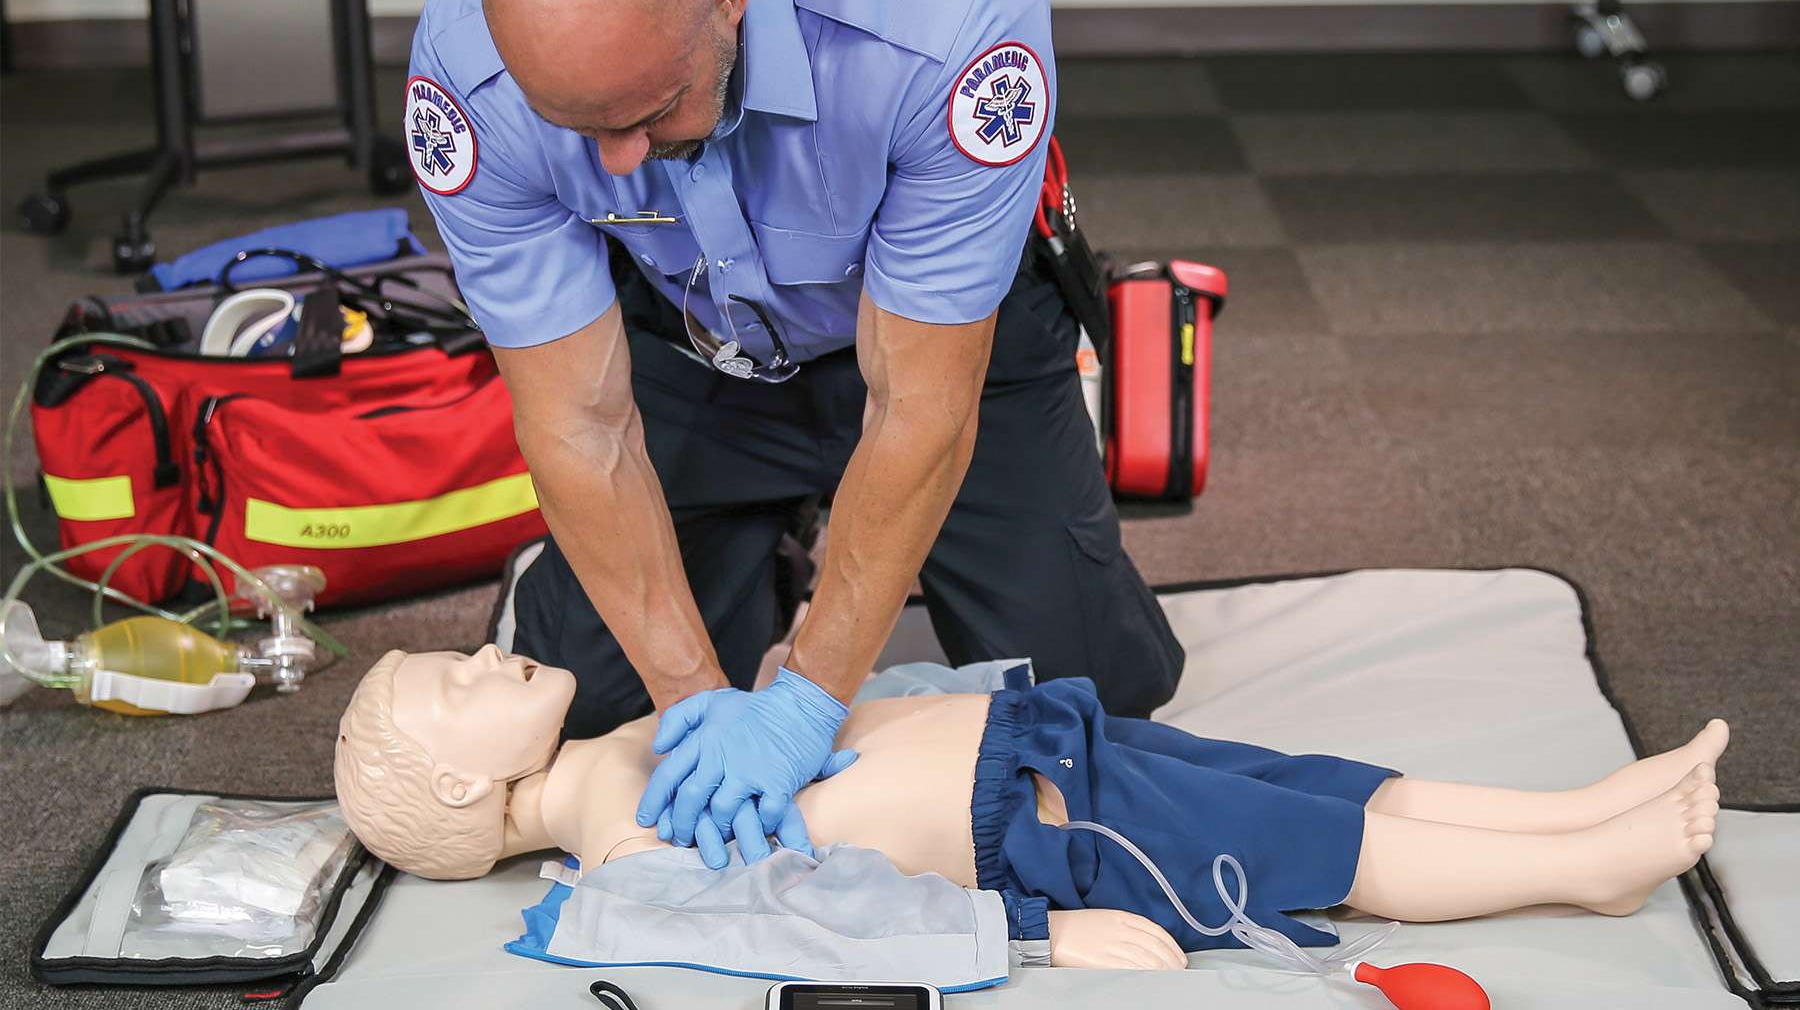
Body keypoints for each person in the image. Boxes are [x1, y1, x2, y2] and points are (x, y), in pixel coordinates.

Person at [405, 0, 1182, 867]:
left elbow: (918, 406)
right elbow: (580, 421)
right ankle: (755, 555)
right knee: (594, 713)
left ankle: (842, 556)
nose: (618, 158)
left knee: (1098, 708)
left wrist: (805, 703)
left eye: (648, 110)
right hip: (691, 336)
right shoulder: (465, 77)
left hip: (936, 349)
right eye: (577, 126)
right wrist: (699, 710)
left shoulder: (950, 6)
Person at [334, 646, 1727, 968]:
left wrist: (957, 687)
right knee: (1325, 849)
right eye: (451, 686)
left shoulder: (647, 721)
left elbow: (836, 706)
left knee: (1292, 784)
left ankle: (1562, 807)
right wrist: (1032, 940)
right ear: (468, 785)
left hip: (1031, 736)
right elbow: (827, 933)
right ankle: (1585, 874)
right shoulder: (625, 868)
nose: (478, 655)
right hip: (1044, 831)